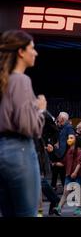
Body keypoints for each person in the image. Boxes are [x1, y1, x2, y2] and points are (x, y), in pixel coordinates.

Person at [0, 30, 46, 217]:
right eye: (32, 48)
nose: (35, 53)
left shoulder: (4, 81)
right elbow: (29, 127)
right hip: (19, 151)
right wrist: (40, 109)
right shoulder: (21, 80)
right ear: (21, 52)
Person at [54, 134, 81, 216]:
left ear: (75, 140)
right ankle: (59, 208)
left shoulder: (78, 150)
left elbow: (79, 163)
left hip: (77, 174)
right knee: (65, 192)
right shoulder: (68, 151)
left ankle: (79, 209)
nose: (69, 139)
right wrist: (55, 163)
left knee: (78, 192)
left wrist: (75, 172)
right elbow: (63, 163)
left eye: (71, 138)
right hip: (68, 175)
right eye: (68, 138)